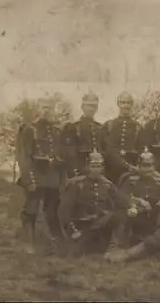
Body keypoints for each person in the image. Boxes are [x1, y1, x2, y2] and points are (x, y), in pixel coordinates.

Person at [58, 150, 132, 258]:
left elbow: (123, 201)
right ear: (88, 167)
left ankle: (113, 248)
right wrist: (72, 230)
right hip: (82, 224)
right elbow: (64, 210)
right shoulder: (78, 185)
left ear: (102, 168)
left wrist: (132, 205)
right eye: (93, 166)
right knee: (76, 254)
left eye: (98, 167)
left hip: (101, 222)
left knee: (121, 216)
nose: (96, 170)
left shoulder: (106, 184)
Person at [16, 97, 65, 254]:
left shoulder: (56, 131)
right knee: (31, 209)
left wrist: (59, 164)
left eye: (49, 108)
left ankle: (55, 243)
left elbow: (59, 153)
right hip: (36, 176)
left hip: (52, 178)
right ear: (38, 109)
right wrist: (29, 179)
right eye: (43, 107)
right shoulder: (30, 130)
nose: (46, 111)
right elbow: (24, 156)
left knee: (52, 210)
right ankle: (29, 242)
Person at [118, 147, 160, 245]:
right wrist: (139, 201)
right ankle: (124, 240)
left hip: (154, 214)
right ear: (138, 166)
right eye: (144, 166)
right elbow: (122, 197)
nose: (148, 169)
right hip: (137, 214)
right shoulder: (131, 179)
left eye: (150, 166)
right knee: (129, 213)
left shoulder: (158, 180)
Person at [101, 92, 142, 184]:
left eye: (128, 103)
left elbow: (141, 150)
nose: (125, 106)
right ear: (118, 104)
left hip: (131, 172)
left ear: (132, 105)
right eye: (123, 102)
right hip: (110, 171)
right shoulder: (109, 125)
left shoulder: (137, 127)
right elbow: (106, 149)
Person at [61, 91, 102, 178]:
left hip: (97, 173)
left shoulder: (99, 128)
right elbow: (70, 153)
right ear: (82, 107)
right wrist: (75, 172)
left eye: (94, 106)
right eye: (88, 106)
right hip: (80, 172)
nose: (91, 109)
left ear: (97, 108)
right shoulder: (73, 127)